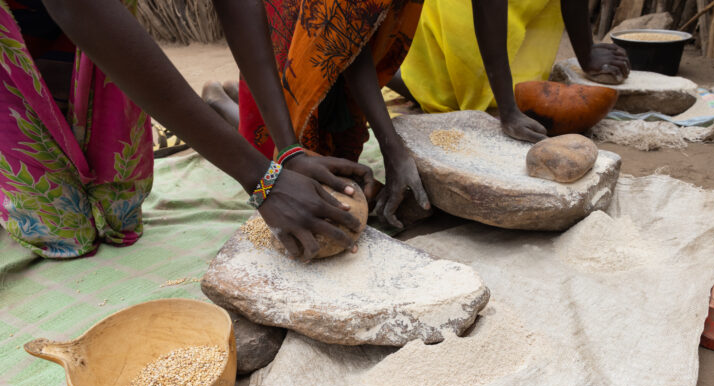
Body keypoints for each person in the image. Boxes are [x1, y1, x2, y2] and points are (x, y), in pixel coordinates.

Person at [0, 0, 370, 261]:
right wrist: (262, 179)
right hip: (14, 33)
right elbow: (77, 7)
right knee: (62, 237)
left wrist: (289, 151)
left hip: (104, 28)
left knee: (120, 216)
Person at [208, 0, 428, 230]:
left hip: (338, 37)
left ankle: (234, 97)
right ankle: (220, 102)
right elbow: (344, 33)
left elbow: (357, 32)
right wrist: (279, 168)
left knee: (326, 157)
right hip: (302, 27)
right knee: (274, 150)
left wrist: (392, 147)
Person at [389, 0, 631, 141]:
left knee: (524, 95)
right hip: (466, 10)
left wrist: (587, 52)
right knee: (457, 98)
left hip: (523, 9)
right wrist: (508, 112)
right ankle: (395, 72)